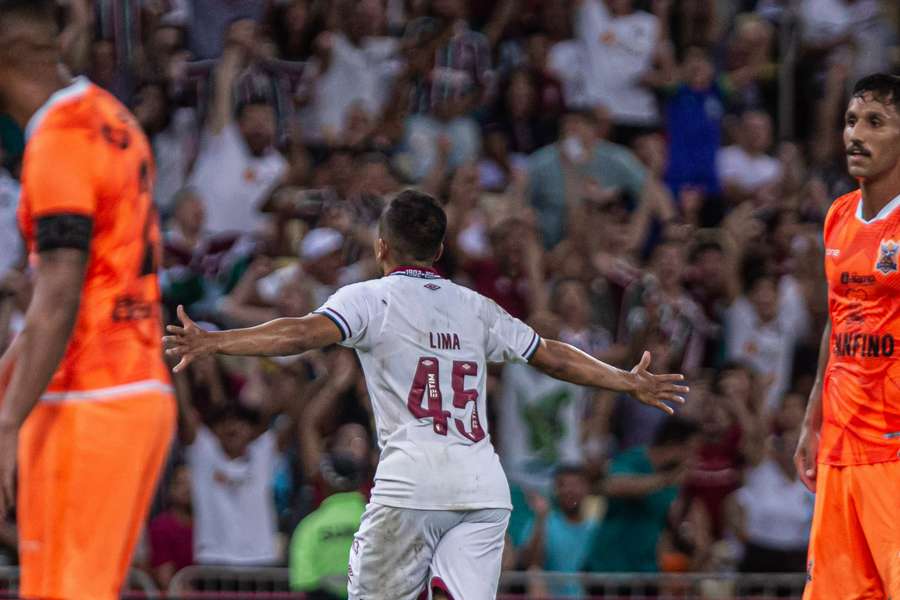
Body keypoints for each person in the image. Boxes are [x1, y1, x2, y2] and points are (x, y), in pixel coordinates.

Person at [164, 189, 689, 600]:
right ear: (439, 251)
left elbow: (301, 333)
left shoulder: (371, 298)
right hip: (483, 486)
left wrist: (216, 342)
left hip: (412, 482)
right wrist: (626, 379)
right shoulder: (476, 307)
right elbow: (550, 353)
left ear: (381, 247)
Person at [0, 2, 176, 599]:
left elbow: (59, 294)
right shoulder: (110, 114)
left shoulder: (59, 140)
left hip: (94, 396)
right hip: (112, 386)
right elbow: (74, 295)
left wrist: (6, 421)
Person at [794, 73, 900, 599]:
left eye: (876, 122)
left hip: (893, 450)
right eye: (852, 120)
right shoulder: (837, 216)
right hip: (840, 445)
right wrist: (813, 419)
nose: (856, 134)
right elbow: (837, 322)